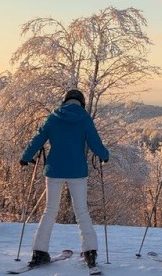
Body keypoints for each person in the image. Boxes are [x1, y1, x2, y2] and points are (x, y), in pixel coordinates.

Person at [19, 89, 110, 270]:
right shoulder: (84, 118)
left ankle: (39, 252)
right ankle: (90, 252)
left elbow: (37, 139)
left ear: (65, 101)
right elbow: (95, 143)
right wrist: (104, 155)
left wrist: (25, 156)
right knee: (82, 211)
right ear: (81, 102)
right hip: (77, 172)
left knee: (50, 210)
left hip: (54, 171)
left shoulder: (53, 117)